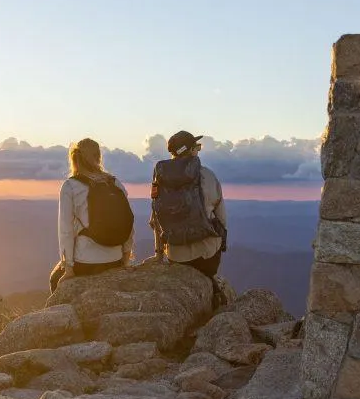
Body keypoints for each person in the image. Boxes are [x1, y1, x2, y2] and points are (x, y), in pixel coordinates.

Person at [149, 130, 228, 304]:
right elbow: (222, 217)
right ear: (191, 150)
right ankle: (211, 288)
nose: (198, 150)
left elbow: (155, 217)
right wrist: (222, 240)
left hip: (176, 255)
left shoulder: (159, 177)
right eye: (196, 147)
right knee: (217, 231)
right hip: (206, 258)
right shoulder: (207, 175)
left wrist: (159, 254)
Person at [50, 138, 136, 292]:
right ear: (98, 157)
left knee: (54, 279)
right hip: (115, 259)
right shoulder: (115, 183)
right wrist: (125, 257)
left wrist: (69, 268)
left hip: (86, 262)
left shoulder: (70, 186)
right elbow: (127, 221)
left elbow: (66, 231)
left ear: (75, 158)